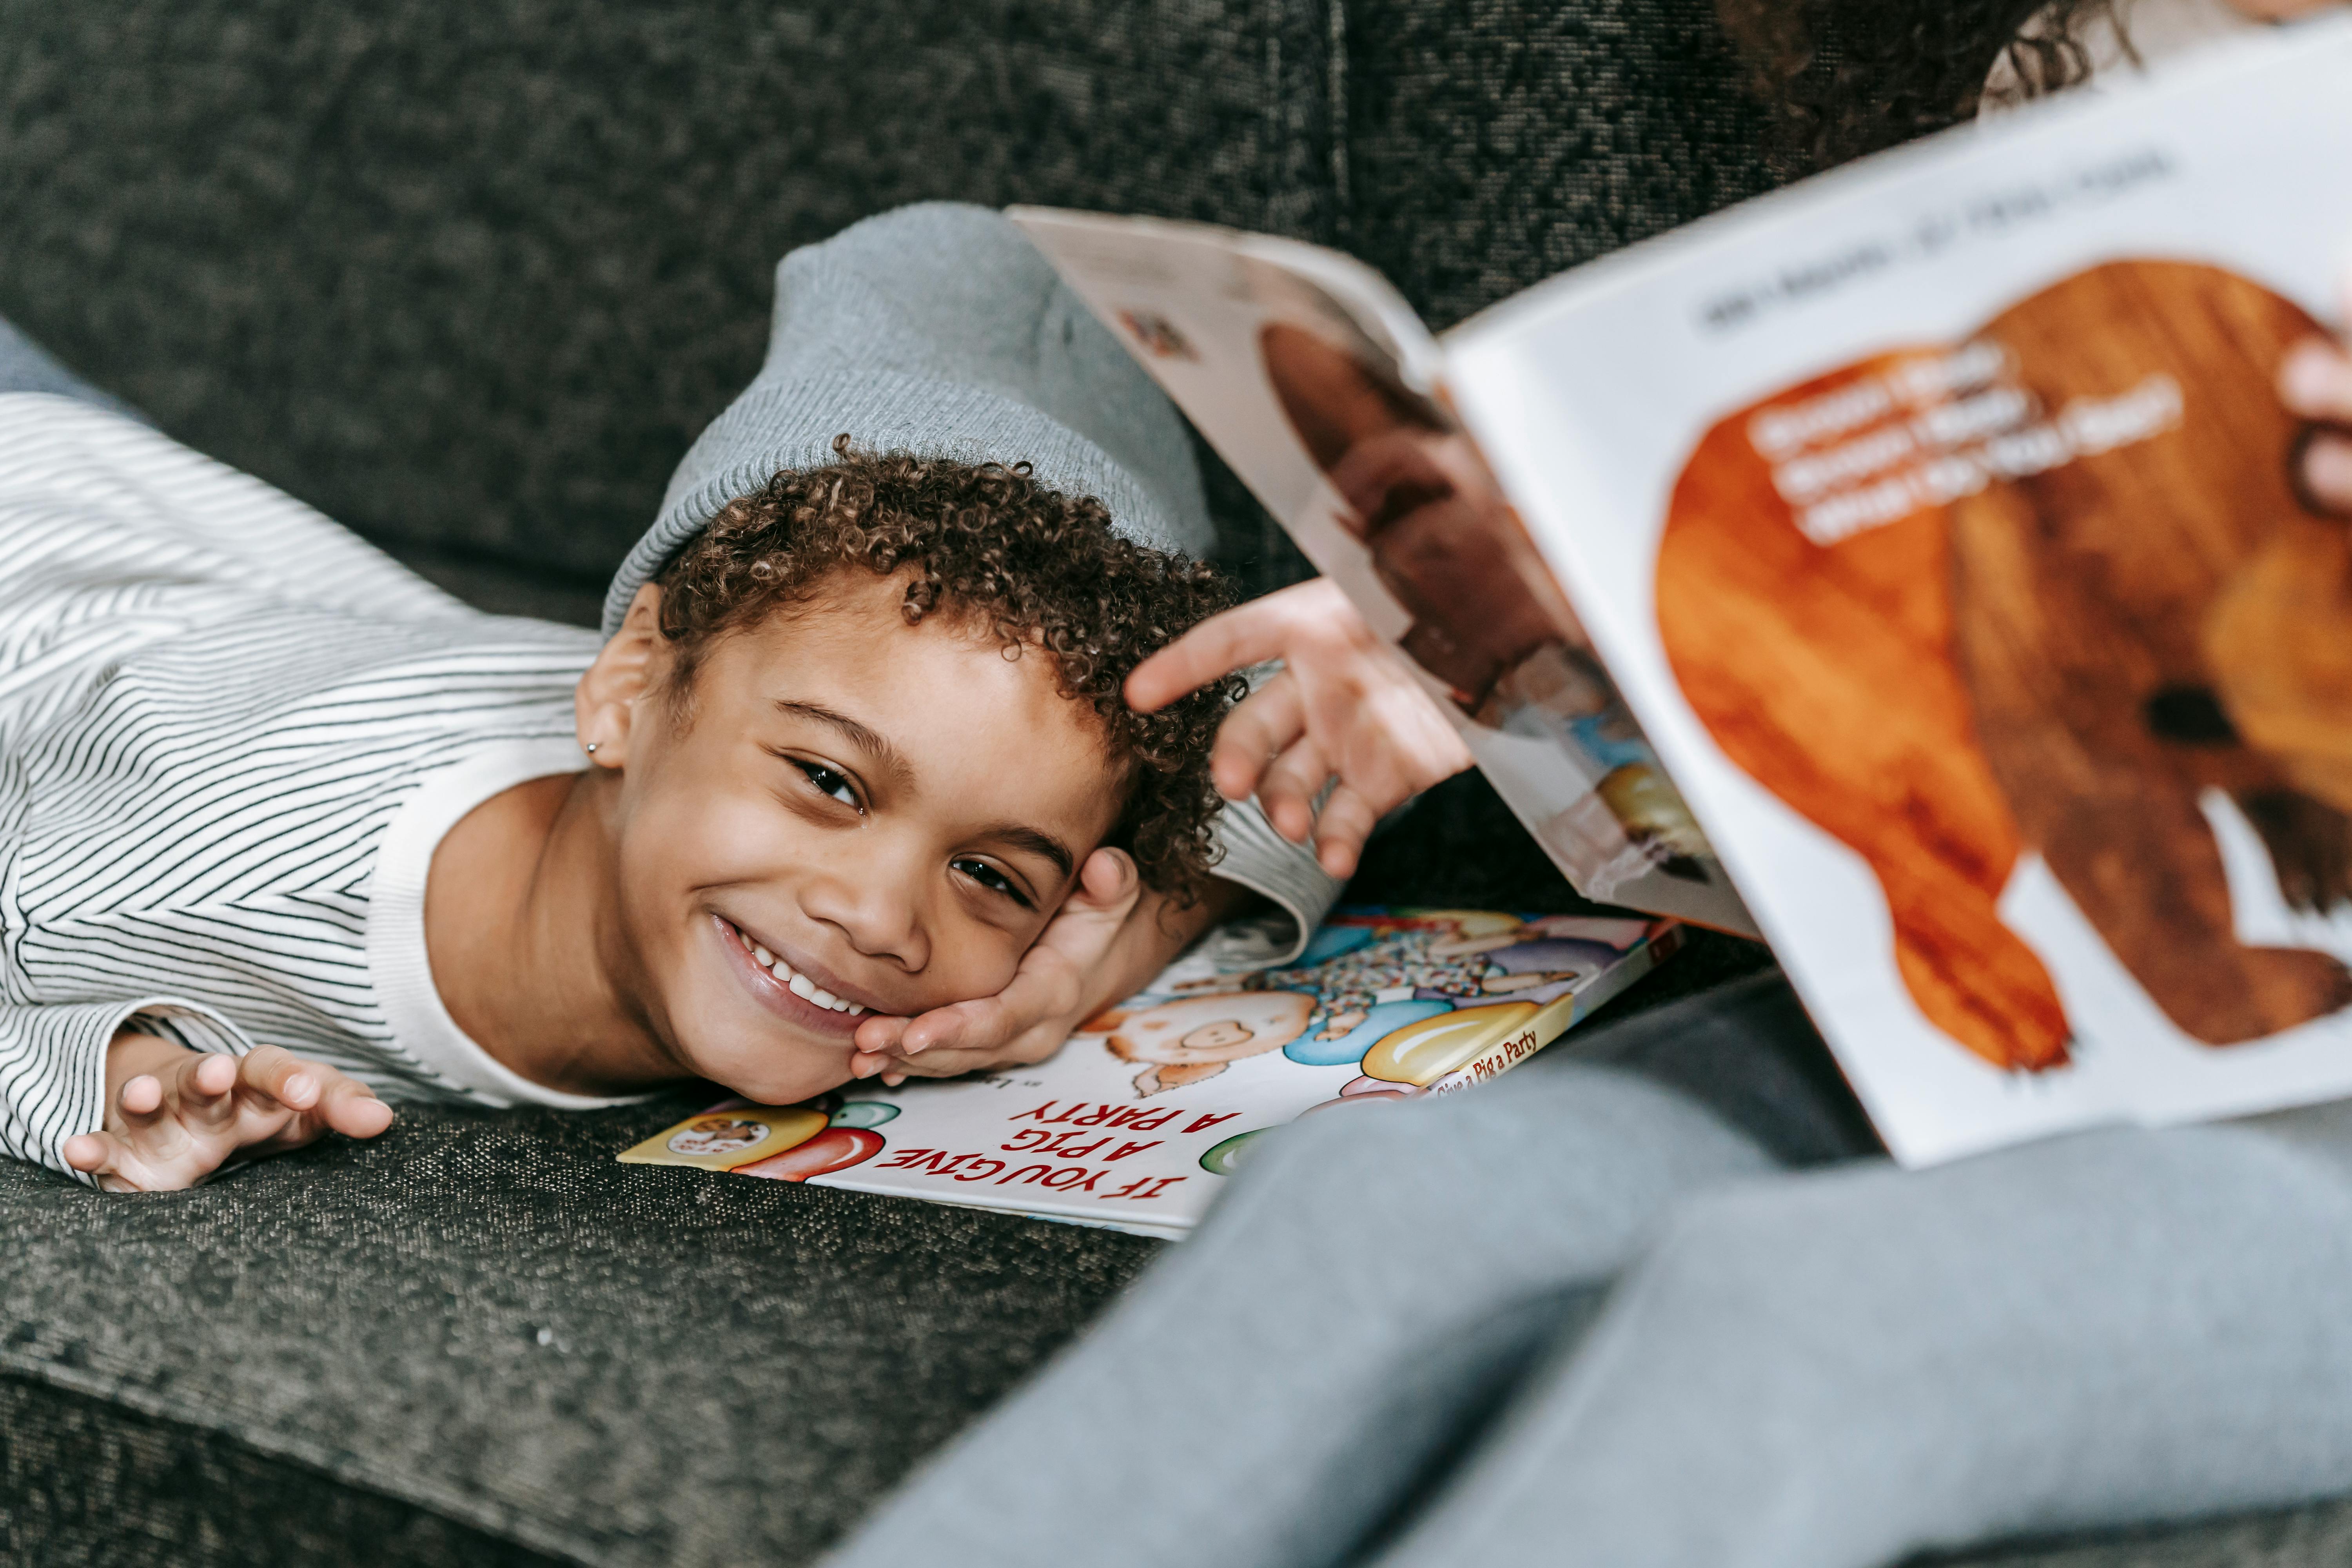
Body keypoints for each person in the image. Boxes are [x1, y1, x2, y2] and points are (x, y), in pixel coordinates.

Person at [817, 8, 2352, 1568]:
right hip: (2084, 985)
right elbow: (2009, 674)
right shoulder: (2088, 44)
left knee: (1799, 1327)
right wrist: (1535, 657)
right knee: (1372, 1209)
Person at [0, 202, 1367, 1193]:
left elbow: (1291, 777)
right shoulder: (196, 888)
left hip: (148, 531)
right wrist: (105, 1075)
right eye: (831, 783)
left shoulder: (719, 718)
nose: (882, 920)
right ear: (631, 688)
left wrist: (1098, 960)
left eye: (995, 879)